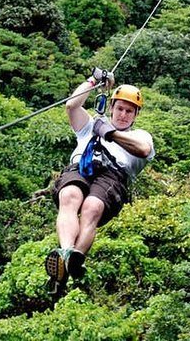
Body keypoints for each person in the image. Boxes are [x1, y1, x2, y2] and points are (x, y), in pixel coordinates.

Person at [45, 68, 155, 292]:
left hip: (112, 175)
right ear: (112, 107)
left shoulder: (139, 136)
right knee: (70, 195)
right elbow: (71, 105)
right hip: (82, 166)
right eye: (120, 109)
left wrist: (110, 134)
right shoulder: (90, 127)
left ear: (135, 116)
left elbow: (143, 150)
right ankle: (66, 253)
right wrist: (94, 80)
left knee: (92, 207)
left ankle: (76, 256)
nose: (123, 114)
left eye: (129, 111)